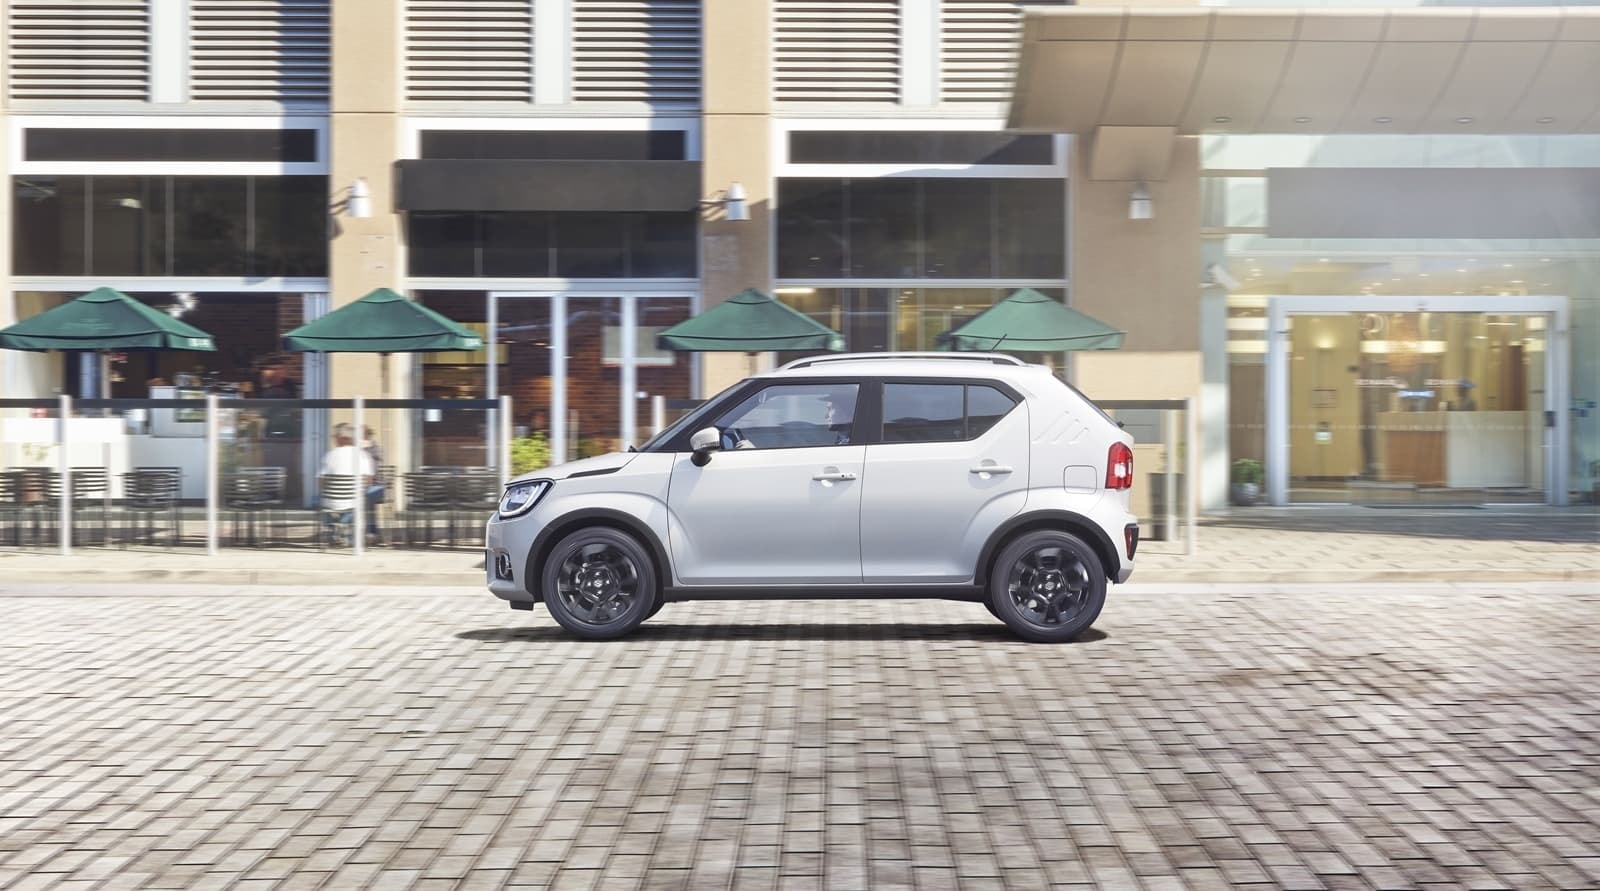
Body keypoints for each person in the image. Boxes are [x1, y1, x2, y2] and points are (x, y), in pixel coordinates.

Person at [320, 423, 376, 545]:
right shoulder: (363, 456)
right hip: (353, 501)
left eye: (334, 436)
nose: (333, 439)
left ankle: (336, 529)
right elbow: (369, 482)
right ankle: (345, 529)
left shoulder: (329, 455)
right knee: (359, 502)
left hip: (332, 502)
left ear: (341, 437)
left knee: (323, 501)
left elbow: (321, 482)